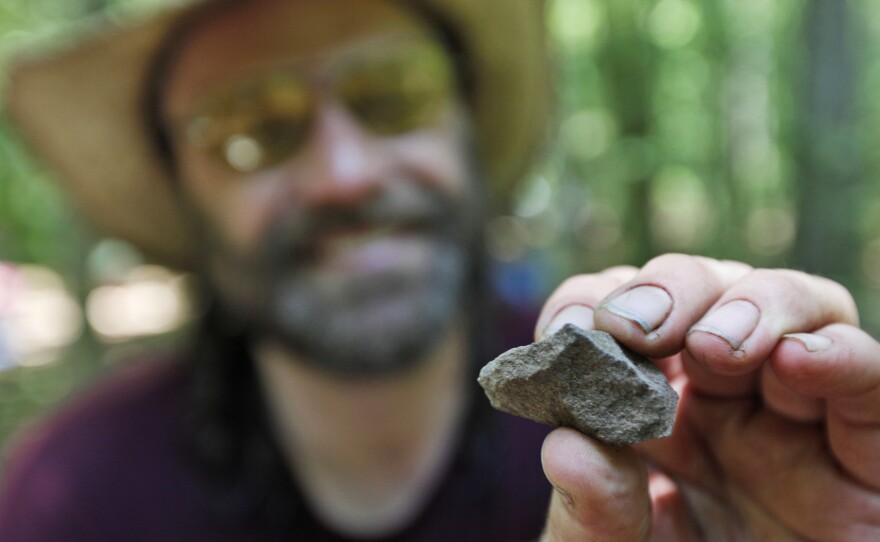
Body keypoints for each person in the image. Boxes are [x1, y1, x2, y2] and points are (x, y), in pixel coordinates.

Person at [1, 0, 879, 540]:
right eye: (249, 126)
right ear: (181, 189)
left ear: (463, 123)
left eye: (394, 95)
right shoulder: (66, 503)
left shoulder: (677, 444)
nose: (343, 174)